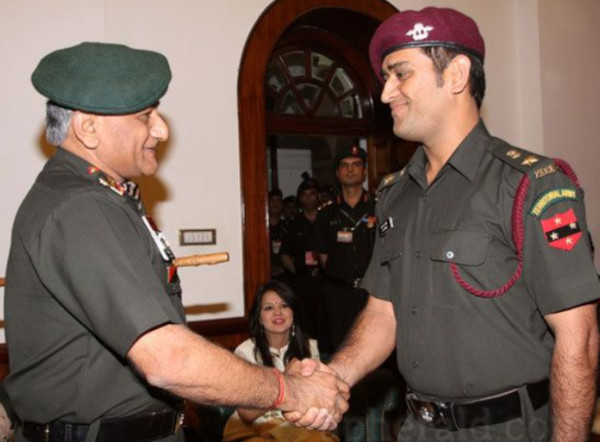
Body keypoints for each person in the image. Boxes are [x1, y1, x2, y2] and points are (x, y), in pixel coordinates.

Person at [4, 42, 349, 442]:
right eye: (145, 115)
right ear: (88, 128)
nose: (162, 130)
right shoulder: (80, 206)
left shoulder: (97, 198)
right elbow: (166, 358)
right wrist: (291, 390)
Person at [295, 7, 600, 441]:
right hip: (420, 429)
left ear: (456, 74)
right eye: (386, 78)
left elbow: (579, 337)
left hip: (509, 429)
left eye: (400, 74)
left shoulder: (530, 186)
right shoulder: (395, 194)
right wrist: (333, 377)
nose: (386, 94)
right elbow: (384, 313)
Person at [223, 280, 338, 442]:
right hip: (254, 429)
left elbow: (318, 401)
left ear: (294, 312)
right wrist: (286, 381)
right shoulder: (245, 351)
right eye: (269, 308)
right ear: (259, 318)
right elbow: (246, 414)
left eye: (284, 305)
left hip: (300, 427)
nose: (278, 312)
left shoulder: (310, 348)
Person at [313, 146, 376, 353]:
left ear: (364, 172)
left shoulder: (379, 206)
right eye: (345, 166)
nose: (350, 170)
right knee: (341, 350)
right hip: (338, 295)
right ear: (337, 173)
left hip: (373, 294)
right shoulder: (326, 213)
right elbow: (323, 256)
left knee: (373, 351)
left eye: (356, 165)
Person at [281, 178, 322, 337]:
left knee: (326, 324)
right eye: (304, 195)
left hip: (326, 282)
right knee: (305, 325)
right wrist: (298, 272)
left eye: (312, 194)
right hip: (302, 283)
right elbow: (285, 255)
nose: (309, 198)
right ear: (300, 198)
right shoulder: (294, 224)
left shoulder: (327, 219)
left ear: (318, 196)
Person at [268, 188, 287, 279]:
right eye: (272, 200)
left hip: (285, 274)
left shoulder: (288, 227)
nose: (275, 204)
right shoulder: (261, 228)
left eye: (278, 200)